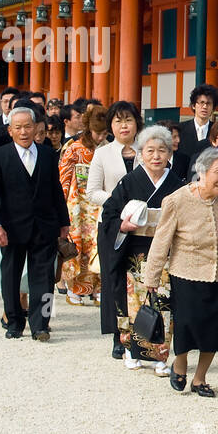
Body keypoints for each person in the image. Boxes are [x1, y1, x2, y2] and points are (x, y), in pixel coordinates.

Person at [144, 147, 218, 398]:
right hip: (186, 271)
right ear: (202, 172)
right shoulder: (177, 200)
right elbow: (161, 240)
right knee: (186, 324)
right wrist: (151, 277)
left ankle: (200, 378)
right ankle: (180, 363)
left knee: (215, 328)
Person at [100, 125, 184, 374]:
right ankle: (130, 350)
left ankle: (160, 356)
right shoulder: (129, 182)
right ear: (141, 153)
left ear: (169, 153)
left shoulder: (178, 184)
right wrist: (122, 225)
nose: (156, 156)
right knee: (133, 302)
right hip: (134, 250)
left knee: (164, 303)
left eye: (162, 150)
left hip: (166, 252)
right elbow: (109, 214)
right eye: (150, 150)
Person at [0, 105, 70, 342]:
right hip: (11, 227)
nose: (23, 132)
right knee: (10, 277)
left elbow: (56, 190)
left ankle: (41, 324)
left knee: (44, 278)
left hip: (45, 225)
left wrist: (64, 222)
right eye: (18, 127)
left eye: (28, 126)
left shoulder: (47, 154)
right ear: (10, 130)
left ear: (36, 128)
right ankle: (14, 322)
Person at [87, 100, 141, 357]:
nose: (123, 125)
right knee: (114, 280)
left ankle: (143, 332)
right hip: (111, 224)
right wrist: (119, 204)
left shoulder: (148, 149)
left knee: (140, 279)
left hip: (143, 225)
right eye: (118, 121)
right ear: (110, 125)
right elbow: (92, 191)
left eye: (128, 120)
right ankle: (118, 335)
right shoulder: (103, 152)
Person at [58, 105, 107, 305]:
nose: (101, 137)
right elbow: (64, 179)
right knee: (78, 246)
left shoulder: (107, 149)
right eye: (98, 133)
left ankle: (98, 288)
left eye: (105, 133)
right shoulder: (74, 148)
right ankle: (74, 288)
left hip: (99, 204)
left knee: (98, 245)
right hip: (77, 204)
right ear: (88, 129)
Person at [178, 84, 218, 158]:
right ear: (193, 105)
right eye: (201, 102)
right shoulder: (180, 129)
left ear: (213, 107)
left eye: (208, 103)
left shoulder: (217, 130)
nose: (205, 107)